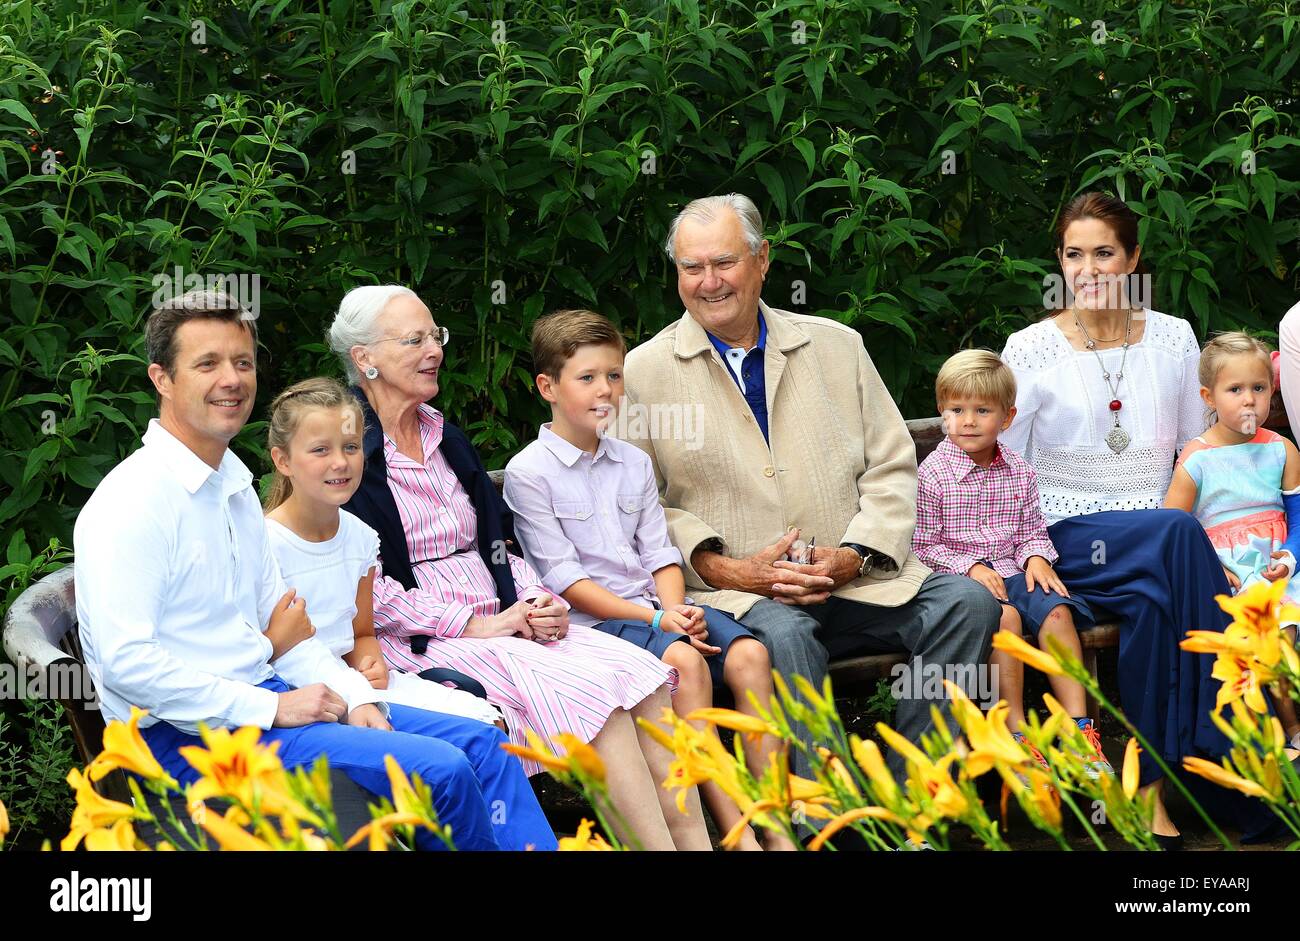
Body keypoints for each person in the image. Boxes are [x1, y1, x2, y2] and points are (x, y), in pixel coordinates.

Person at [73, 289, 556, 851]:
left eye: (243, 362)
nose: (231, 379)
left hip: (267, 702)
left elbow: (290, 628)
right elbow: (125, 663)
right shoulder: (134, 501)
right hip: (189, 740)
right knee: (441, 771)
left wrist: (355, 697)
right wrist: (271, 707)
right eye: (207, 363)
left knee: (485, 748)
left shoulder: (229, 484)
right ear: (162, 378)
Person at [621, 193, 1001, 782]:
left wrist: (853, 555)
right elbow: (638, 502)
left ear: (763, 259)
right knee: (788, 637)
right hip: (739, 600)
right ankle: (825, 817)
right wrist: (730, 569)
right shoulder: (643, 372)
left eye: (724, 263)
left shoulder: (834, 345)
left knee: (967, 604)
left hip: (857, 583)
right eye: (691, 268)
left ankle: (913, 797)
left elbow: (893, 465)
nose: (709, 282)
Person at [330, 284, 714, 850]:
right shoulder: (346, 453)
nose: (434, 349)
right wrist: (474, 624)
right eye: (414, 340)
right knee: (597, 697)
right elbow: (362, 588)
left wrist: (539, 601)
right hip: (420, 639)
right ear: (365, 359)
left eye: (435, 335)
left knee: (646, 679)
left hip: (505, 617)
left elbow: (498, 547)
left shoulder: (445, 437)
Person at [1000, 190, 1249, 847]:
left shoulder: (1173, 339)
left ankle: (1146, 787)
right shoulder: (1028, 351)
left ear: (1134, 259)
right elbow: (1002, 469)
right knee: (1173, 538)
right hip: (1064, 537)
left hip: (1159, 544)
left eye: (1105, 253)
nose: (1090, 269)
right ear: (1059, 261)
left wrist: (1231, 545)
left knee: (1154, 600)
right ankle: (1219, 753)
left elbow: (1200, 455)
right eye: (1075, 254)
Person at [505, 309, 795, 851]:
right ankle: (735, 833)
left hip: (657, 610)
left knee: (752, 657)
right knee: (685, 664)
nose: (606, 390)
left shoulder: (632, 462)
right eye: (587, 377)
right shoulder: (530, 473)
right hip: (595, 626)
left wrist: (674, 612)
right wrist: (660, 621)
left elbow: (660, 552)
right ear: (547, 386)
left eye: (614, 376)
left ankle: (775, 827)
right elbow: (566, 581)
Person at [912, 349, 1112, 775]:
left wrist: (1037, 556)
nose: (968, 420)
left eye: (982, 410)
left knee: (1057, 608)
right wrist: (969, 566)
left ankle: (1079, 732)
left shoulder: (1019, 470)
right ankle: (1014, 727)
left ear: (1007, 417)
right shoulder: (931, 476)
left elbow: (1031, 529)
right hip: (963, 582)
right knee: (1006, 619)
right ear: (942, 413)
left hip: (1013, 568)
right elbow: (923, 545)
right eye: (956, 410)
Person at [262, 376, 504, 727]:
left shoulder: (359, 538)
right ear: (283, 461)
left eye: (350, 446)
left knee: (487, 723)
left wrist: (369, 659)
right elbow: (277, 651)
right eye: (320, 450)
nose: (340, 462)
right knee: (452, 743)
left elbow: (361, 633)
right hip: (302, 694)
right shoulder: (267, 544)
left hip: (357, 685)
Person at [1164, 331, 1300, 745]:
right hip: (1231, 574)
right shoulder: (1196, 459)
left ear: (1272, 391)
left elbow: (1298, 518)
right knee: (1275, 632)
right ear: (1209, 396)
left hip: (1282, 567)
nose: (1248, 400)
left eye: (1258, 388)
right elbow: (1174, 528)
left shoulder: (1282, 450)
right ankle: (1287, 726)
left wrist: (1291, 558)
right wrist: (1215, 569)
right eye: (1235, 389)